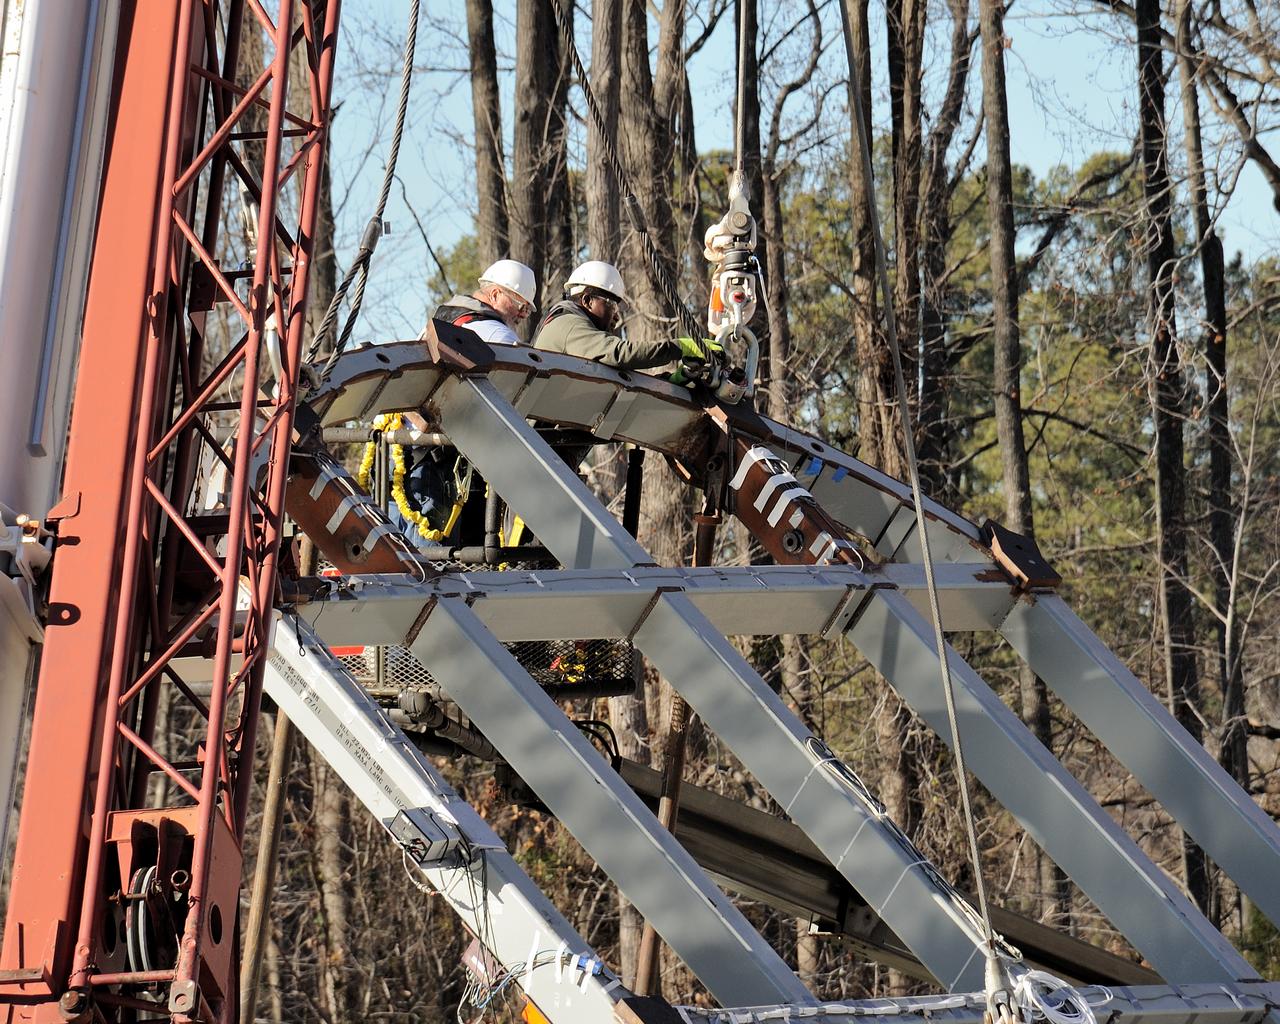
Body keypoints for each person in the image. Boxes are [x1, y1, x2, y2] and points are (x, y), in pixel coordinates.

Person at [533, 260, 721, 371]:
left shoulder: (572, 329)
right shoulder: (569, 324)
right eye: (612, 305)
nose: (616, 316)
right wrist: (679, 347)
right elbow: (620, 354)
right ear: (588, 300)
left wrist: (672, 380)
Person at [430, 259, 537, 345]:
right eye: (521, 307)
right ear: (495, 295)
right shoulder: (501, 336)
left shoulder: (437, 325)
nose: (523, 315)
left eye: (527, 310)